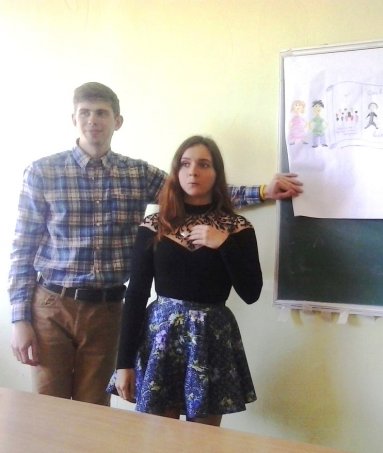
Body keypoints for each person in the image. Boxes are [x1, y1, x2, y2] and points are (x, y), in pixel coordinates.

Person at [9, 82, 301, 406]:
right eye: (85, 113)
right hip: (52, 305)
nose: (93, 120)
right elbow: (22, 249)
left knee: (93, 413)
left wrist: (263, 192)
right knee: (47, 409)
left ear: (117, 121)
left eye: (102, 113)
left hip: (107, 311)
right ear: (73, 119)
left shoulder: (136, 174)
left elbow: (195, 189)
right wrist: (19, 319)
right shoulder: (42, 172)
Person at [110, 135, 261, 425]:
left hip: (211, 340)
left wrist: (224, 244)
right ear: (176, 172)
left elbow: (251, 292)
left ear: (216, 173)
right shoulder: (155, 225)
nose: (193, 172)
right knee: (159, 436)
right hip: (161, 339)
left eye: (204, 164)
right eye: (185, 164)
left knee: (202, 440)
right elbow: (136, 294)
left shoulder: (237, 228)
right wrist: (123, 363)